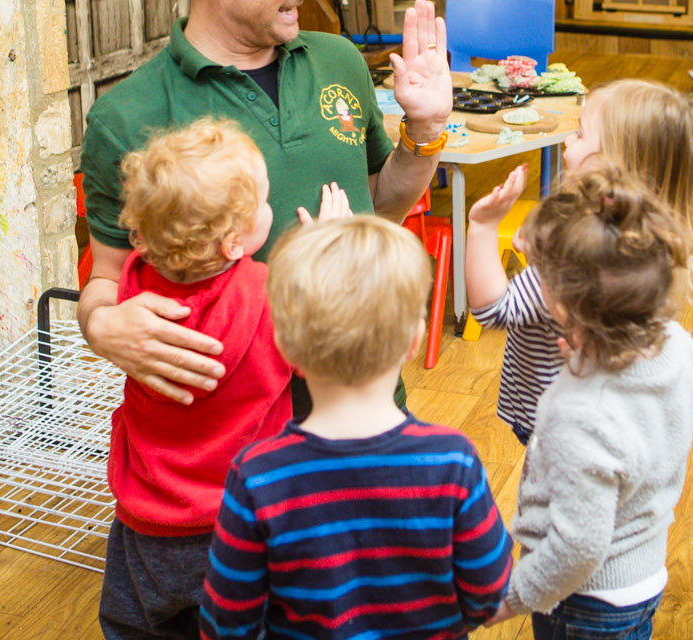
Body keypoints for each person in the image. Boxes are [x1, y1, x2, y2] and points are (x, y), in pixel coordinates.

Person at [77, 0, 452, 408]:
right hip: (224, 440)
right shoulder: (127, 117)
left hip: (361, 405)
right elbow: (105, 278)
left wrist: (425, 128)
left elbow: (379, 207)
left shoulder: (339, 62)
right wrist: (101, 324)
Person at [200, 215, 513, 640]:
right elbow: (489, 595)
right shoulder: (452, 461)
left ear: (286, 346)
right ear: (414, 340)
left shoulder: (257, 475)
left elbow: (227, 625)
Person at [99, 117, 350, 640]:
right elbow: (326, 349)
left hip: (146, 521)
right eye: (263, 202)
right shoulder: (271, 295)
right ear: (236, 243)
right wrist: (323, 251)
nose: (270, 206)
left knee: (137, 625)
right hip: (244, 519)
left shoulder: (135, 292)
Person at [486, 164, 693, 640]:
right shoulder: (680, 345)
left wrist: (508, 600)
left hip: (584, 602)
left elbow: (578, 548)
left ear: (565, 304)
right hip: (643, 572)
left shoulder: (576, 410)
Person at [464, 79, 693, 446]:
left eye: (578, 134)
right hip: (611, 414)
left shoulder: (577, 244)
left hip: (549, 416)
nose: (566, 141)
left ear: (613, 162)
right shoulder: (656, 242)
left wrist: (482, 227)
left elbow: (493, 309)